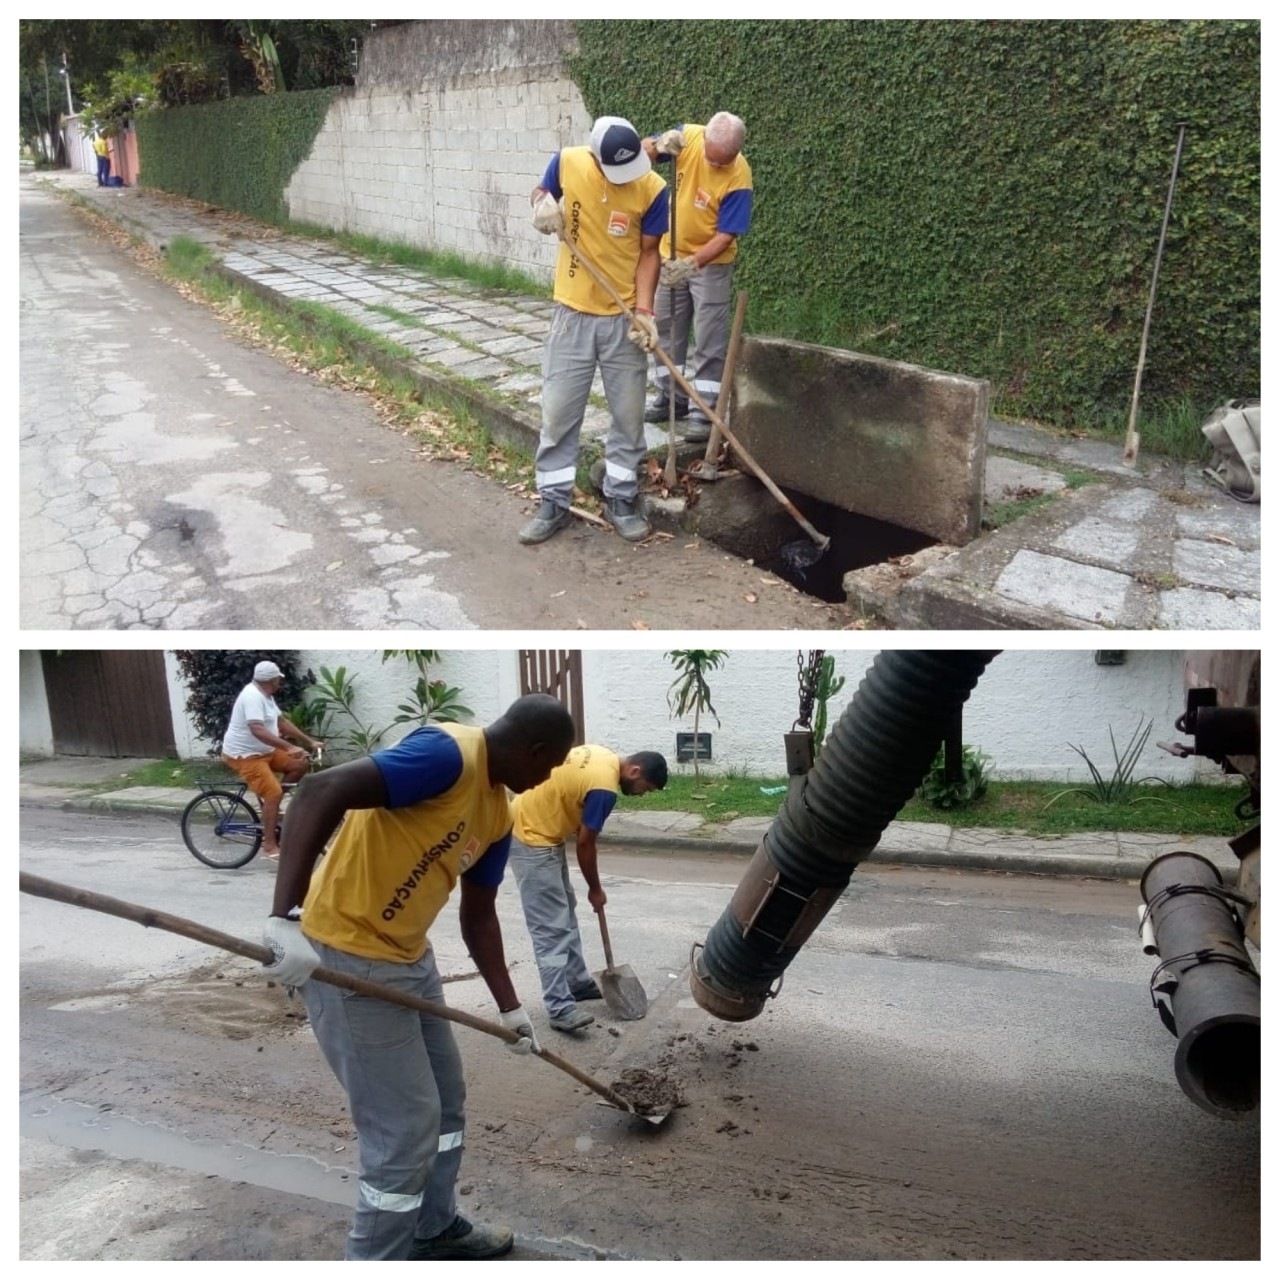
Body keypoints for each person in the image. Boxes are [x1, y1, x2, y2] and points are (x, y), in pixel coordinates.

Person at [261, 693, 576, 1262]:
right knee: (402, 1132)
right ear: (533, 750)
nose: (548, 779)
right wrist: (283, 919)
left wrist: (511, 1009)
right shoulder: (446, 754)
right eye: (550, 766)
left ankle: (433, 1229)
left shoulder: (498, 815)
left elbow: (478, 917)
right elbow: (319, 790)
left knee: (446, 1105)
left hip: (410, 960)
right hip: (344, 959)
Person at [520, 116, 669, 545]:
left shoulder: (653, 189)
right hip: (572, 315)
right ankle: (553, 502)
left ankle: (621, 496)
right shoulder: (567, 162)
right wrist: (542, 205)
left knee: (628, 415)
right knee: (559, 412)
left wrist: (645, 312)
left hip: (624, 320)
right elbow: (541, 191)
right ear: (594, 157)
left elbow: (649, 254)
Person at [509, 745, 668, 1032]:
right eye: (646, 788)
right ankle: (559, 1006)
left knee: (565, 913)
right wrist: (595, 889)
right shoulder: (605, 789)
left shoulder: (602, 755)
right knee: (550, 929)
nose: (642, 794)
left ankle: (577, 982)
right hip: (531, 838)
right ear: (635, 771)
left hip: (539, 827)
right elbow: (585, 843)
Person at [641, 112, 753, 443]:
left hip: (710, 266)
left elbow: (726, 236)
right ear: (704, 138)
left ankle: (705, 410)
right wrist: (658, 145)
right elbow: (643, 154)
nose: (715, 166)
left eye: (722, 162)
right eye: (711, 159)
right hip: (669, 253)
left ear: (736, 152)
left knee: (709, 337)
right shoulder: (687, 137)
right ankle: (671, 397)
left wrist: (692, 265)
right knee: (666, 328)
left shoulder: (739, 175)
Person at [220, 660, 322, 858]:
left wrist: (310, 742)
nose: (279, 683)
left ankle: (271, 808)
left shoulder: (266, 696)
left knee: (300, 763)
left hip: (266, 751)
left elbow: (281, 723)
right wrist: (289, 747)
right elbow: (256, 729)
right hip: (246, 755)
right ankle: (269, 845)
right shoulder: (252, 696)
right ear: (271, 681)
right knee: (273, 793)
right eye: (277, 679)